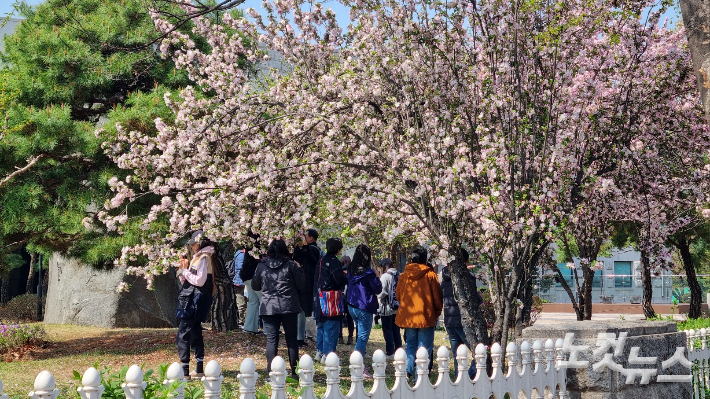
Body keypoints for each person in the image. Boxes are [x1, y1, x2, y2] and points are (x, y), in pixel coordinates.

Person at [251, 239, 306, 380]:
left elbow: (255, 286)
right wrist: (300, 269)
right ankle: (294, 373)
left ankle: (271, 373)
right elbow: (301, 285)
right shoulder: (291, 265)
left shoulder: (262, 265)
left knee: (271, 340)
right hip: (289, 305)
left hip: (269, 306)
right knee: (292, 339)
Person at [395, 246, 443, 379]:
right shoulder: (430, 275)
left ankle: (407, 371)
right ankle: (420, 377)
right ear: (425, 259)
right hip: (426, 316)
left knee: (410, 345)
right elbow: (437, 297)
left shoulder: (404, 275)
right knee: (425, 348)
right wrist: (437, 312)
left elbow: (399, 295)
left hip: (409, 317)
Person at [175, 230, 215, 380]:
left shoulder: (204, 258)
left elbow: (200, 281)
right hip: (191, 299)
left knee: (183, 333)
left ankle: (184, 370)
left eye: (194, 243)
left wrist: (185, 271)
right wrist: (183, 271)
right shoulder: (198, 258)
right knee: (195, 332)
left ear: (201, 242)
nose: (192, 246)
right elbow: (189, 282)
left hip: (193, 302)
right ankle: (198, 369)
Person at [440, 249, 477, 379]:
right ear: (465, 261)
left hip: (449, 321)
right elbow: (474, 300)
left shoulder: (444, 279)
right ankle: (470, 375)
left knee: (457, 356)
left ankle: (458, 381)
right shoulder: (467, 277)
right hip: (463, 320)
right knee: (479, 352)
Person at [347, 244, 382, 362]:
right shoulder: (369, 273)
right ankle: (357, 361)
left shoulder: (351, 271)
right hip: (364, 307)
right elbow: (377, 289)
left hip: (352, 305)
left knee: (360, 332)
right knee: (363, 336)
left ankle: (361, 353)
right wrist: (377, 277)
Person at [313, 237, 347, 363]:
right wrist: (345, 275)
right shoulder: (334, 261)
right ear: (338, 248)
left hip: (320, 297)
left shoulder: (321, 260)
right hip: (331, 299)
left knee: (321, 326)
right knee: (331, 326)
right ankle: (328, 355)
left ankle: (320, 352)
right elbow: (339, 280)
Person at [293, 228, 321, 348]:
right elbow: (296, 259)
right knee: (301, 309)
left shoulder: (314, 249)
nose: (304, 238)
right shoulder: (304, 249)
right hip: (301, 280)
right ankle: (299, 336)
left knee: (304, 309)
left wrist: (304, 248)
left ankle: (301, 336)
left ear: (311, 238)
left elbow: (313, 261)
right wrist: (298, 247)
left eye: (306, 236)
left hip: (308, 282)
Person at [377, 258, 402, 360]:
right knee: (396, 329)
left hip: (386, 307)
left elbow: (382, 292)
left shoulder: (385, 276)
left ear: (384, 266)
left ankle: (390, 352)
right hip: (397, 307)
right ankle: (399, 350)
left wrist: (377, 296)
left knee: (387, 330)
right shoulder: (399, 275)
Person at [239, 244, 262, 334]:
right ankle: (269, 329)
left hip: (246, 275)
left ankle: (249, 327)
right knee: (264, 301)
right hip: (255, 276)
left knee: (253, 301)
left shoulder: (248, 246)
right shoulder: (259, 247)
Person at [339, 255, 354, 345]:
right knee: (350, 318)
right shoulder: (352, 271)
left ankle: (340, 337)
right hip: (350, 297)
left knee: (340, 318)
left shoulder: (339, 270)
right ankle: (350, 337)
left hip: (340, 296)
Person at [232, 248, 247, 327]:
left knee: (240, 302)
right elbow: (240, 267)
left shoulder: (238, 254)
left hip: (239, 281)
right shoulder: (242, 255)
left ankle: (240, 320)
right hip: (240, 281)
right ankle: (240, 321)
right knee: (241, 302)